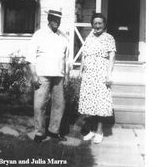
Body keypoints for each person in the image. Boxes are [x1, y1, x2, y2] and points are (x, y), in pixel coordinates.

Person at [26, 9, 69, 143]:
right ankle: (39, 132)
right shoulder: (38, 35)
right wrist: (33, 75)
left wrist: (66, 75)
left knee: (59, 104)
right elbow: (30, 58)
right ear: (49, 20)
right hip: (42, 75)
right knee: (39, 105)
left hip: (59, 76)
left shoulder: (63, 37)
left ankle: (53, 130)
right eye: (54, 20)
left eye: (59, 20)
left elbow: (67, 59)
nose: (57, 22)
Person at [78, 12, 116, 144]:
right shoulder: (89, 38)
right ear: (92, 25)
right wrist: (81, 70)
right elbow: (84, 55)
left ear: (104, 25)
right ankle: (92, 130)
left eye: (100, 23)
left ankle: (99, 131)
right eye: (95, 23)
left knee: (100, 102)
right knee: (90, 102)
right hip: (89, 74)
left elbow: (111, 57)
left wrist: (109, 74)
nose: (97, 25)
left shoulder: (109, 38)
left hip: (101, 73)